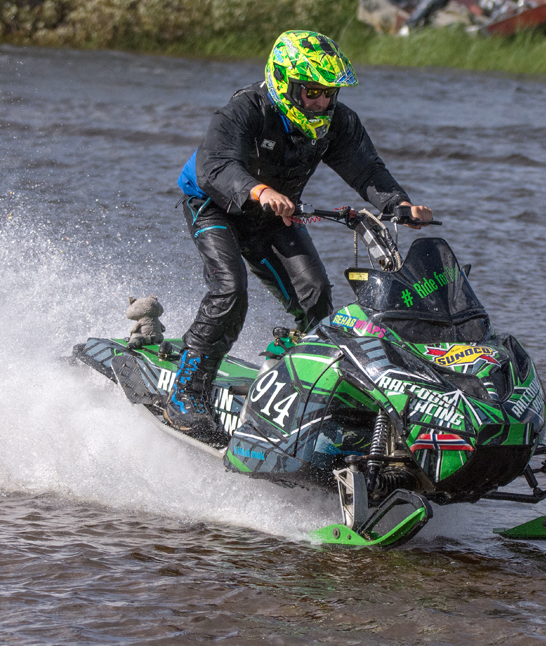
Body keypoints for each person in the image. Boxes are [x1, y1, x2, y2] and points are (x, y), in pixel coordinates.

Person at [168, 29, 432, 443]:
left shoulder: (337, 123)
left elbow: (367, 170)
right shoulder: (243, 111)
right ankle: (187, 391)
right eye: (312, 92)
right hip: (214, 205)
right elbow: (214, 166)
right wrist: (259, 191)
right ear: (284, 82)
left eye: (329, 93)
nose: (322, 103)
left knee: (316, 297)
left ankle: (308, 395)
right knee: (230, 290)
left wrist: (399, 204)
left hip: (274, 214)